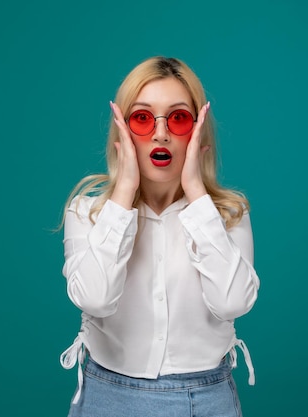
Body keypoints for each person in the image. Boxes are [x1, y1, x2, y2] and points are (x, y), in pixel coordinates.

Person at [58, 56, 260, 417]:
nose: (161, 133)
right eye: (142, 118)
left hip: (207, 401)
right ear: (122, 130)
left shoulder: (229, 216)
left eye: (179, 118)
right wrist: (124, 193)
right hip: (107, 399)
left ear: (198, 131)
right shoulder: (86, 213)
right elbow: (95, 299)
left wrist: (197, 193)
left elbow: (232, 303)